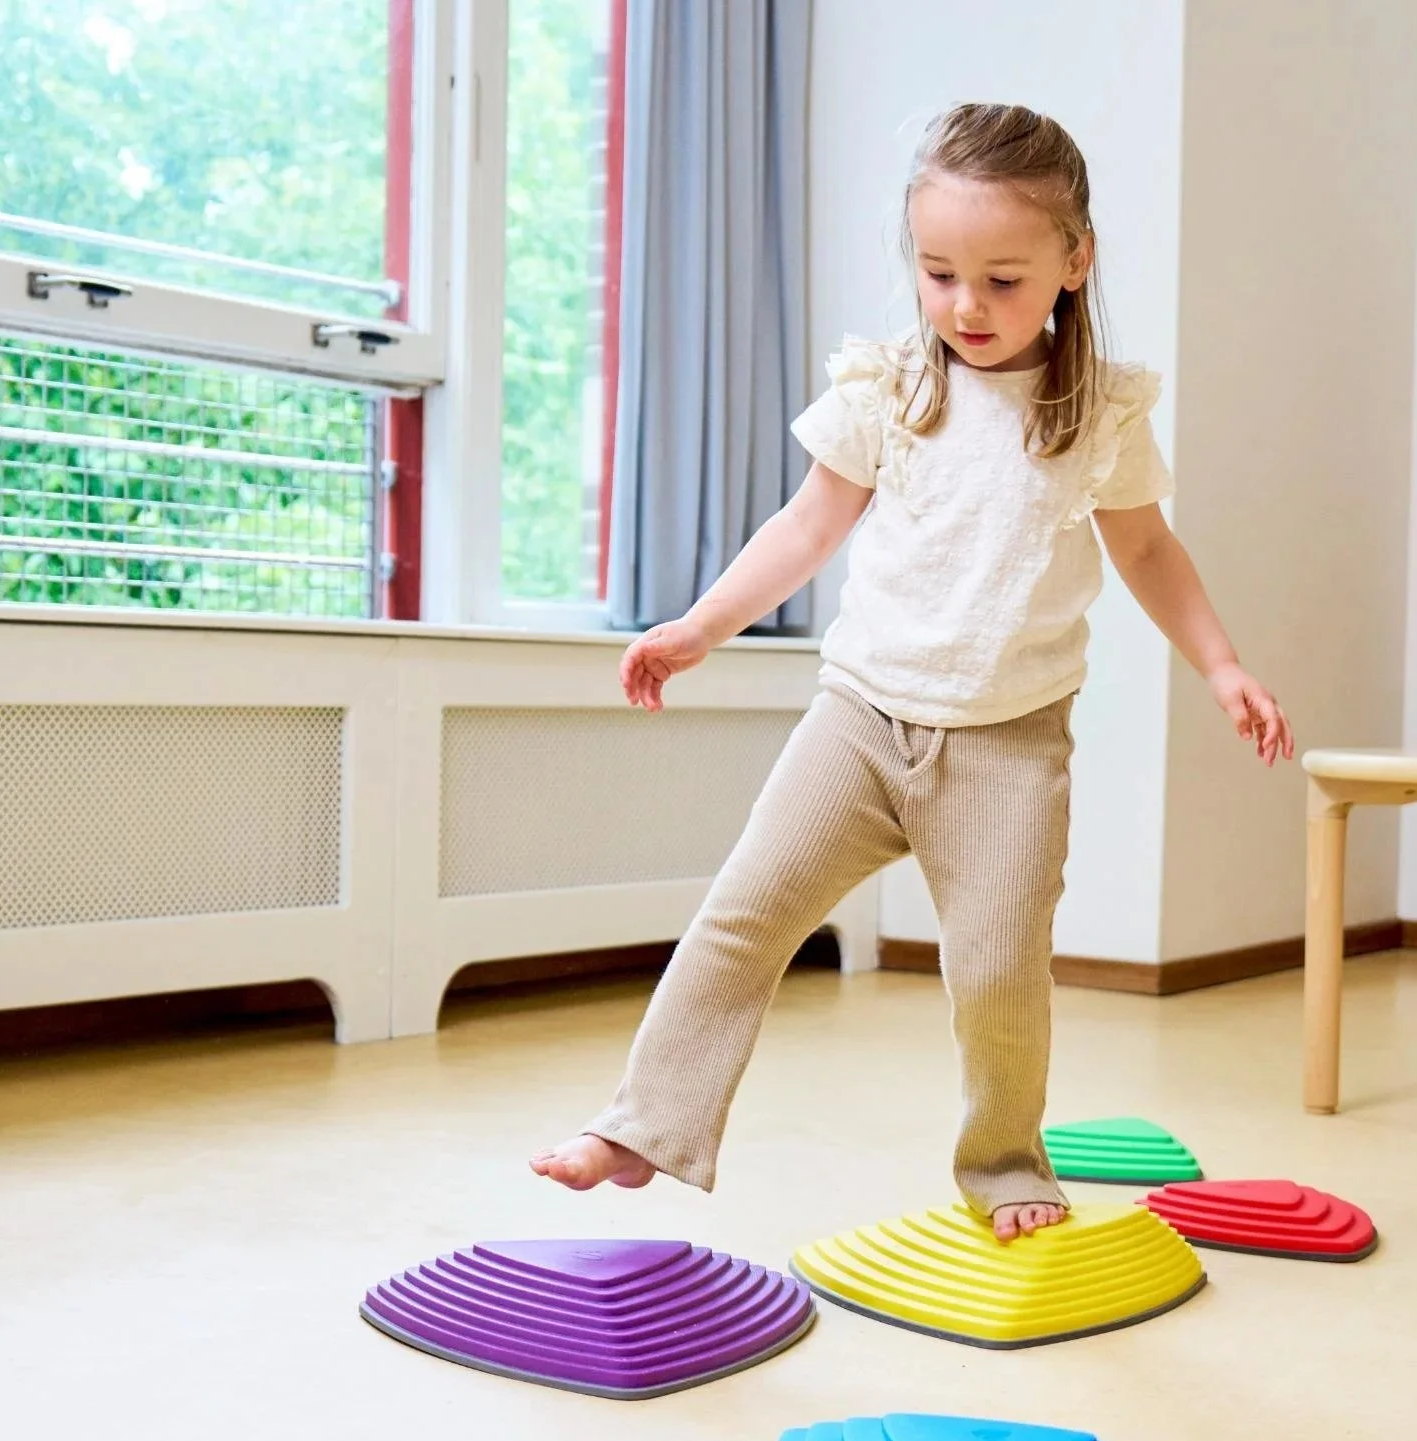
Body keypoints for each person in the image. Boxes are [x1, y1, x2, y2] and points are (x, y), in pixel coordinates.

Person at [532, 102, 1291, 1243]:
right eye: (938, 275)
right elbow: (803, 527)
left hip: (1007, 738)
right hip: (859, 717)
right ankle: (645, 1125)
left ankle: (1002, 1163)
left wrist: (1221, 664)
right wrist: (699, 626)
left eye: (1000, 278)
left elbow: (1146, 548)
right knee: (743, 913)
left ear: (1072, 264)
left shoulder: (1095, 414)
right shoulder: (887, 387)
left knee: (996, 973)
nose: (964, 307)